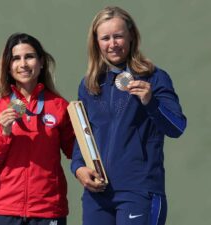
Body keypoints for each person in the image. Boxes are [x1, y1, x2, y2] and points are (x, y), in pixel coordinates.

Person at [70, 6, 187, 225]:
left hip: (139, 191)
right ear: (96, 42)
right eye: (105, 38)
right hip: (98, 194)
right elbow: (82, 134)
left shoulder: (154, 78)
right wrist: (78, 167)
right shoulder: (89, 85)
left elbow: (177, 127)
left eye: (118, 36)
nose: (112, 44)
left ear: (131, 36)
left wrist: (151, 102)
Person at [0, 33, 75, 225]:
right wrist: (4, 133)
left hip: (48, 209)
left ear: (41, 62)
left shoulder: (59, 106)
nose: (23, 64)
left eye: (29, 57)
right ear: (8, 66)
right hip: (3, 208)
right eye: (16, 58)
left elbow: (76, 151)